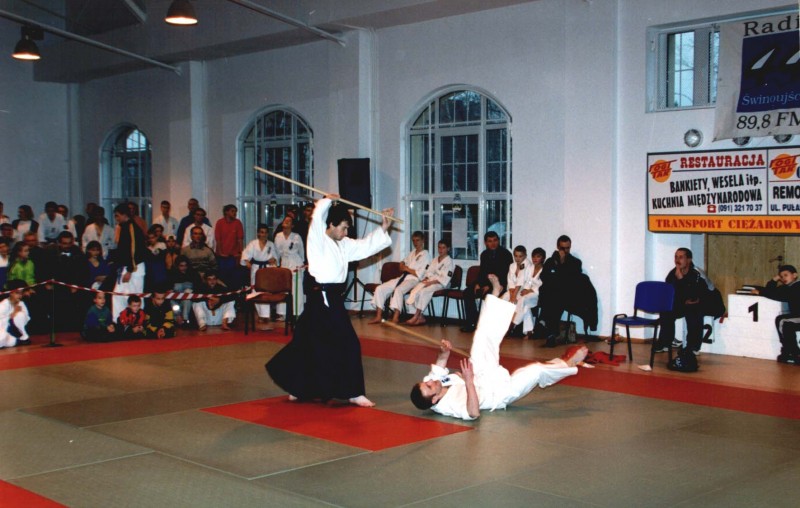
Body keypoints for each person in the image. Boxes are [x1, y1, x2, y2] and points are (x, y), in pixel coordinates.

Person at [266, 195, 393, 407]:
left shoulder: (344, 244)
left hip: (332, 299)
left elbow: (365, 246)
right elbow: (317, 220)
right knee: (327, 343)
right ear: (331, 225)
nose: (346, 232)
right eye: (343, 228)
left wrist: (383, 227)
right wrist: (326, 201)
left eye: (347, 229)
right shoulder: (317, 240)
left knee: (319, 343)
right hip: (320, 298)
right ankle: (309, 388)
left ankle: (347, 391)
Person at [409, 294, 587, 420]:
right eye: (429, 386)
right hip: (497, 393)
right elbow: (473, 413)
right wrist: (469, 382)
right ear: (434, 399)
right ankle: (566, 363)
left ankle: (497, 298)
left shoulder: (433, 382)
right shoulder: (449, 406)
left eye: (426, 382)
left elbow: (441, 362)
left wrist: (444, 350)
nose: (430, 381)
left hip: (479, 373)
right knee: (535, 371)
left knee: (481, 338)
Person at [654, 248, 718, 358]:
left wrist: (681, 279)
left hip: (709, 301)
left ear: (689, 260)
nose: (677, 260)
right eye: (676, 257)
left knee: (693, 309)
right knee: (666, 310)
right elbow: (671, 293)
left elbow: (695, 296)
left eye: (681, 257)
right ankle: (665, 343)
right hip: (687, 301)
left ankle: (693, 347)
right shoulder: (673, 273)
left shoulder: (697, 273)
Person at [369, 230, 430, 324]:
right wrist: (402, 264)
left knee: (398, 290)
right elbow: (402, 264)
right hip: (403, 277)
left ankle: (395, 318)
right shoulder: (412, 253)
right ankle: (378, 316)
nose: (415, 243)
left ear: (423, 241)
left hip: (414, 280)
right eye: (413, 240)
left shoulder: (426, 255)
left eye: (417, 240)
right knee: (380, 288)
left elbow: (419, 274)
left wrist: (407, 268)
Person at [460, 231, 513, 333]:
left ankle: (486, 325)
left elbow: (504, 275)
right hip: (486, 282)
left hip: (499, 284)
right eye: (490, 241)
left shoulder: (506, 254)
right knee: (467, 292)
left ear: (498, 241)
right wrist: (478, 284)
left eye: (495, 240)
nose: (493, 243)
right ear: (486, 243)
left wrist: (489, 287)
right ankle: (472, 322)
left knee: (488, 296)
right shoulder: (484, 254)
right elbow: (482, 272)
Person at [539, 235, 585, 346]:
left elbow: (570, 279)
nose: (565, 251)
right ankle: (551, 332)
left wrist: (561, 263)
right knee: (549, 293)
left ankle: (544, 322)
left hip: (568, 294)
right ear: (558, 247)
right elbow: (544, 277)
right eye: (562, 248)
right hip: (552, 294)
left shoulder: (575, 262)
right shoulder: (550, 261)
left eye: (567, 248)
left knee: (555, 297)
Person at [751, 265, 800, 365]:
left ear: (794, 275)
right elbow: (770, 290)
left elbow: (778, 295)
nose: (783, 278)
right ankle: (790, 352)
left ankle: (792, 352)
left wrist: (761, 292)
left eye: (786, 275)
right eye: (781, 277)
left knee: (782, 320)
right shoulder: (788, 287)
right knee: (785, 323)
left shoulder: (797, 286)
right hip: (797, 316)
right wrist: (774, 279)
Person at [404, 239, 455, 326]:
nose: (441, 250)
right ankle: (421, 317)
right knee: (415, 291)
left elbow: (445, 278)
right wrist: (426, 278)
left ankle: (416, 316)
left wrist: (430, 283)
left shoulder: (449, 261)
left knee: (423, 291)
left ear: (448, 249)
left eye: (443, 248)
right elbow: (429, 272)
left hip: (441, 283)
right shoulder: (435, 259)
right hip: (430, 280)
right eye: (439, 247)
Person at [111, 203, 147, 321]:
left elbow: (134, 250)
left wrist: (130, 270)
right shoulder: (124, 227)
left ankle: (138, 322)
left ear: (124, 215)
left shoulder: (132, 228)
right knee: (118, 295)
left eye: (117, 216)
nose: (116, 218)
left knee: (134, 297)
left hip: (134, 268)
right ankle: (119, 321)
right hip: (125, 267)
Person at [241, 224, 278, 321]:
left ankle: (265, 315)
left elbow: (275, 257)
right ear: (258, 233)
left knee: (266, 290)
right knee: (255, 290)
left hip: (267, 268)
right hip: (256, 268)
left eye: (265, 232)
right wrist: (247, 261)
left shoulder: (271, 244)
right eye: (262, 232)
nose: (264, 234)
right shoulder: (253, 244)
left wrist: (274, 260)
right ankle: (261, 314)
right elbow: (245, 254)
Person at [274, 216, 306, 318]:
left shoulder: (297, 237)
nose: (286, 221)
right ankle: (282, 313)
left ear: (292, 225)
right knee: (283, 288)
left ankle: (298, 313)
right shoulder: (278, 236)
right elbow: (276, 253)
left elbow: (301, 251)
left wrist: (302, 264)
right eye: (285, 220)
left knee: (297, 289)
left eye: (289, 221)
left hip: (295, 262)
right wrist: (277, 265)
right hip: (284, 263)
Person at [214, 204, 244, 289]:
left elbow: (240, 239)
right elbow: (218, 239)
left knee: (234, 278)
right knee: (222, 278)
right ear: (226, 212)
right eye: (232, 211)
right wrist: (221, 253)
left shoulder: (238, 223)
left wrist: (241, 253)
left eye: (235, 211)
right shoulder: (220, 222)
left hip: (233, 256)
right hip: (222, 256)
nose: (235, 213)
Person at [168, 255, 199, 326]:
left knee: (187, 301)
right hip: (175, 301)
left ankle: (185, 320)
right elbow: (168, 288)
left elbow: (199, 287)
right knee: (172, 301)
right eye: (181, 266)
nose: (184, 268)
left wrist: (192, 291)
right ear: (177, 266)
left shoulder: (193, 274)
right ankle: (178, 318)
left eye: (185, 266)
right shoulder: (172, 274)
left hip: (188, 300)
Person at [0, 280, 32, 347]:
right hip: (4, 330)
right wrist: (13, 314)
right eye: (17, 293)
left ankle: (23, 337)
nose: (20, 296)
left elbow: (26, 318)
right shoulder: (3, 305)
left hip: (15, 331)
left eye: (21, 293)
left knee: (20, 315)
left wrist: (16, 315)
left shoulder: (21, 304)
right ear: (11, 293)